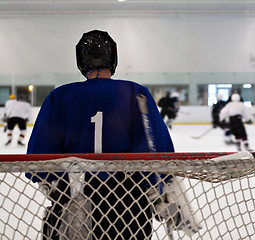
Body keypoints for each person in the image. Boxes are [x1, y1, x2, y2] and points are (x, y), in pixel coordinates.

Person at [25, 30, 193, 239]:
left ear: (81, 62)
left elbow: (38, 161)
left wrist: (60, 191)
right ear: (113, 59)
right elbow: (157, 151)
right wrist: (158, 193)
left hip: (73, 205)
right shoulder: (135, 93)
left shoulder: (59, 96)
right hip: (129, 207)